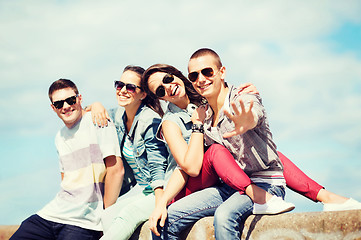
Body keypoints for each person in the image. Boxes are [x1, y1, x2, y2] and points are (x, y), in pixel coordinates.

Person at [145, 49, 361, 239]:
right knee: (168, 221)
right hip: (219, 183)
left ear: (222, 72)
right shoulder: (199, 115)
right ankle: (325, 196)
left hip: (260, 183)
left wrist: (248, 121)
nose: (201, 79)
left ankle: (326, 197)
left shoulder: (238, 98)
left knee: (225, 215)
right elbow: (186, 167)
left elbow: (252, 109)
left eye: (207, 72)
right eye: (196, 75)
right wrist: (161, 202)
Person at [10, 79, 124, 240]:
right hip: (52, 214)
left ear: (79, 98)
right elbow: (65, 179)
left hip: (84, 221)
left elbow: (116, 170)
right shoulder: (60, 136)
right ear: (53, 107)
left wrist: (106, 217)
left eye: (70, 100)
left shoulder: (97, 121)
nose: (65, 106)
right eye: (59, 104)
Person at [87, 65, 172, 240]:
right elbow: (93, 112)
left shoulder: (151, 121)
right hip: (141, 187)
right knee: (106, 215)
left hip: (160, 188)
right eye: (120, 85)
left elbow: (158, 167)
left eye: (131, 87)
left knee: (128, 215)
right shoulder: (120, 116)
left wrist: (160, 202)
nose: (123, 90)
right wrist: (95, 104)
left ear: (143, 94)